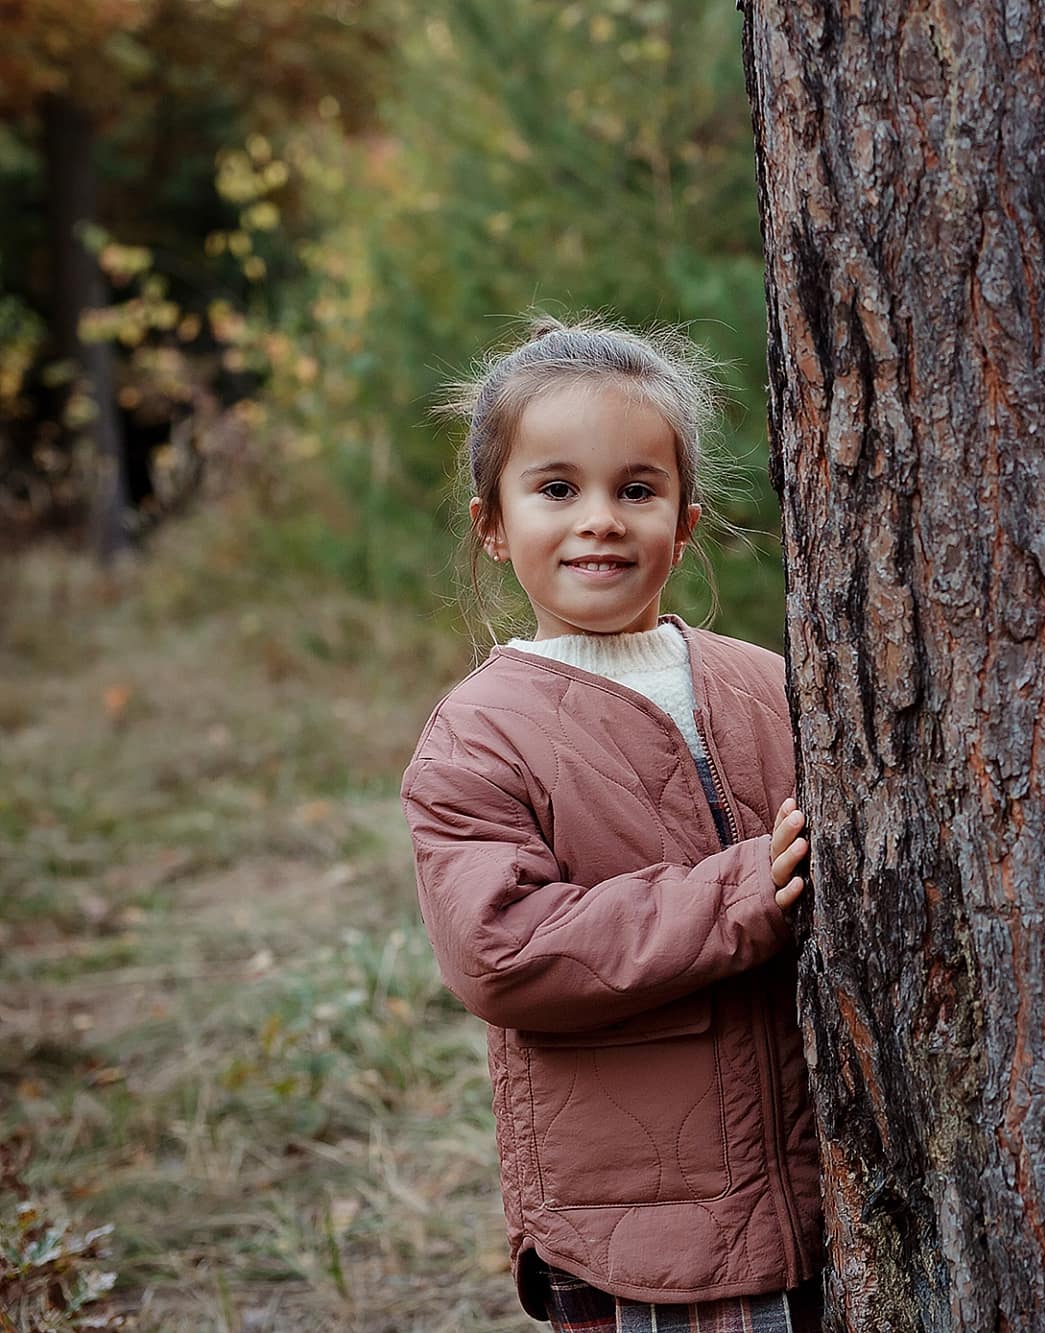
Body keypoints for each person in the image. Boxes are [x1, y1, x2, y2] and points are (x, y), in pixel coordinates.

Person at [401, 317, 821, 1329]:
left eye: (635, 489)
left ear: (682, 523)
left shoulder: (771, 684)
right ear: (492, 525)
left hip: (825, 1199)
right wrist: (741, 893)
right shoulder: (479, 735)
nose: (600, 518)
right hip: (638, 1225)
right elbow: (502, 952)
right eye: (557, 489)